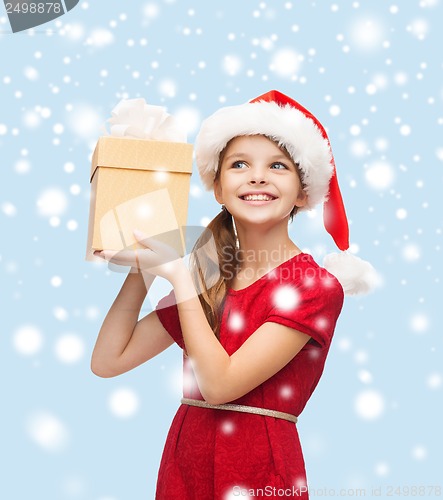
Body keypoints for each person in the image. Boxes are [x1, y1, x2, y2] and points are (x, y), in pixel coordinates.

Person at [91, 90, 375, 499]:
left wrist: (179, 278)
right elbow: (108, 360)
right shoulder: (210, 277)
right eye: (239, 164)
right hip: (184, 466)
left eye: (278, 165)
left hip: (258, 471)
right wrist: (143, 266)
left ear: (302, 192)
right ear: (219, 189)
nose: (257, 176)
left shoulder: (313, 287)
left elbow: (220, 386)